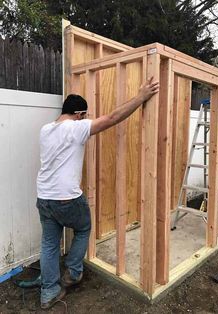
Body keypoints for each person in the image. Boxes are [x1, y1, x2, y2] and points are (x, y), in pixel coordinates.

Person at [36, 77, 159, 309]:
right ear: (80, 114)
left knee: (49, 243)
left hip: (43, 197)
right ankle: (73, 272)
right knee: (83, 228)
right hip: (66, 198)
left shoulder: (45, 130)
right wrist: (141, 97)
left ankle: (49, 291)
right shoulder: (77, 127)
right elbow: (113, 118)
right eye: (85, 115)